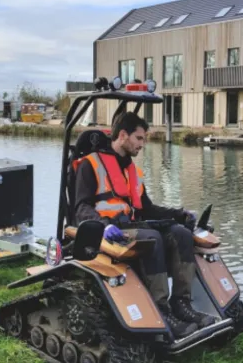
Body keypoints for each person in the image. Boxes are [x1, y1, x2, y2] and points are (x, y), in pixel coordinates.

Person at [73, 112, 217, 339]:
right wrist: (103, 226)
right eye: (139, 138)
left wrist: (179, 214)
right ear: (123, 135)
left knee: (181, 234)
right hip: (109, 231)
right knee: (152, 238)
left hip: (133, 226)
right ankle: (161, 310)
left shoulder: (132, 171)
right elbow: (81, 207)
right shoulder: (90, 165)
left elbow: (147, 208)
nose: (143, 144)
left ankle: (182, 303)